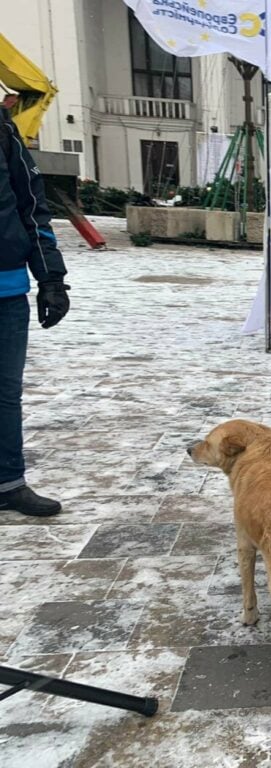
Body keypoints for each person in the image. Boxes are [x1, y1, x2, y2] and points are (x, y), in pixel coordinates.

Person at [0, 106, 70, 517]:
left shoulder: (3, 131)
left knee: (5, 395)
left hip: (7, 288)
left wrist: (51, 278)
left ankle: (9, 482)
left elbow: (31, 207)